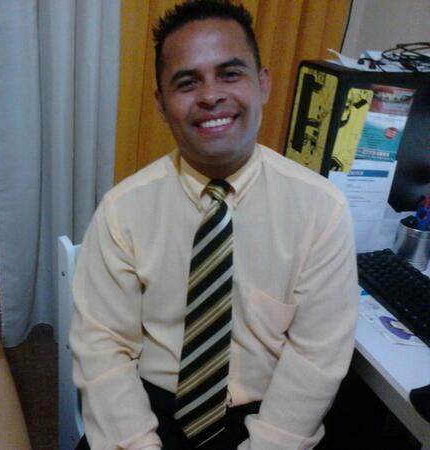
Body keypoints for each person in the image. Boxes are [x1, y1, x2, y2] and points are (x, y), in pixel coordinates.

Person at [70, 1, 358, 449]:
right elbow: (103, 348)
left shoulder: (322, 210)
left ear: (262, 84)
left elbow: (315, 358)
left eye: (230, 74)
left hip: (267, 414)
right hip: (148, 407)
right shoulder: (121, 211)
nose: (210, 96)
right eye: (187, 83)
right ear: (161, 104)